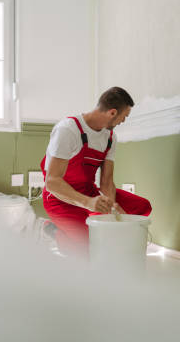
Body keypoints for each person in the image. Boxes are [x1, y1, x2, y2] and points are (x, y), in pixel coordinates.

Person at [40, 87, 152, 255]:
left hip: (89, 193)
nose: (123, 121)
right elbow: (52, 182)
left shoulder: (110, 137)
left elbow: (106, 182)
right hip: (60, 198)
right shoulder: (69, 130)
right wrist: (88, 203)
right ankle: (54, 230)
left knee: (142, 207)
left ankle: (87, 228)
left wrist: (112, 209)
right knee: (93, 248)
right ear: (113, 112)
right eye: (124, 116)